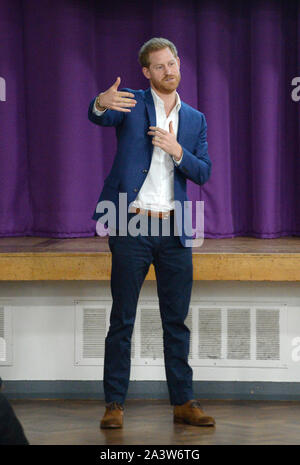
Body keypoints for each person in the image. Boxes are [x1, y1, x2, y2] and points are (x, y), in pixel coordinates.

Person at [88, 37, 215, 428]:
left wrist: (178, 150)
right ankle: (114, 404)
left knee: (176, 320)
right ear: (147, 72)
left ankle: (184, 402)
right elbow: (100, 116)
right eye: (158, 67)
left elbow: (204, 171)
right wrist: (99, 103)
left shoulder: (194, 119)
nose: (168, 71)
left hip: (175, 229)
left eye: (172, 63)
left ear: (179, 64)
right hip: (131, 223)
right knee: (122, 319)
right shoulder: (131, 103)